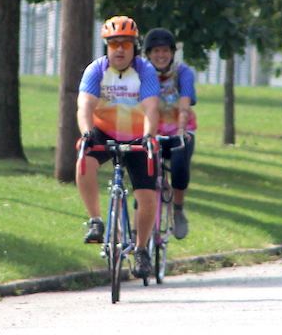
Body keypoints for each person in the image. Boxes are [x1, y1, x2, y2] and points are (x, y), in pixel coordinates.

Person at [77, 16, 161, 279]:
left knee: (147, 196)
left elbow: (151, 108)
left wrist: (148, 135)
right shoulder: (96, 70)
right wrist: (87, 133)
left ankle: (141, 249)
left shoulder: (145, 70)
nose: (120, 49)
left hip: (138, 136)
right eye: (114, 44)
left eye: (126, 43)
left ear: (134, 46)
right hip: (104, 131)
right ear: (107, 46)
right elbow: (85, 106)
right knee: (84, 161)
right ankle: (96, 221)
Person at [143, 27, 198, 241]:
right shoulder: (141, 73)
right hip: (151, 132)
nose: (161, 55)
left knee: (179, 163)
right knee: (143, 175)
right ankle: (142, 219)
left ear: (172, 52)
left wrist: (182, 130)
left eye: (165, 50)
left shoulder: (183, 72)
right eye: (155, 51)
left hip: (179, 131)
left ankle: (178, 210)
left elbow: (185, 103)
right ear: (148, 54)